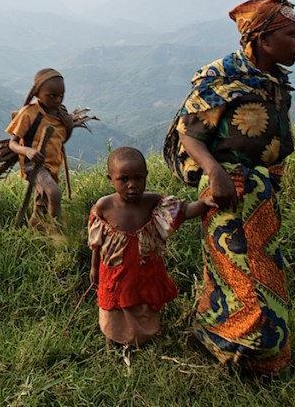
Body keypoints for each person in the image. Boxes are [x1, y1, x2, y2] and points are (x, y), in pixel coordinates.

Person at [163, 0, 295, 375]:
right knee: (239, 273)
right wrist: (216, 171)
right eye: (292, 35)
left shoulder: (273, 78)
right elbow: (189, 135)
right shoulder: (223, 78)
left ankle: (259, 353)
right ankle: (234, 348)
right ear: (261, 39)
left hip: (262, 194)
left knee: (265, 270)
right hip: (227, 192)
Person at [87, 147, 215, 347]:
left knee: (144, 300)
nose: (132, 185)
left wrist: (204, 203)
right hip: (115, 270)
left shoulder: (153, 202)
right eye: (124, 179)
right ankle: (115, 337)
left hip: (145, 267)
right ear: (110, 179)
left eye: (138, 178)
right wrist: (94, 267)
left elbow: (183, 212)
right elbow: (96, 242)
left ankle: (144, 336)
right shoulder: (105, 207)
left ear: (146, 176)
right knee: (115, 305)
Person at [6, 68, 74, 229]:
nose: (58, 100)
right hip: (32, 164)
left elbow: (62, 140)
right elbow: (12, 143)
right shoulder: (29, 113)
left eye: (61, 95)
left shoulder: (61, 114)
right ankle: (59, 233)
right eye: (52, 96)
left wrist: (69, 125)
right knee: (54, 192)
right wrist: (28, 151)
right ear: (38, 94)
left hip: (52, 164)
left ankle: (36, 229)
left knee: (41, 203)